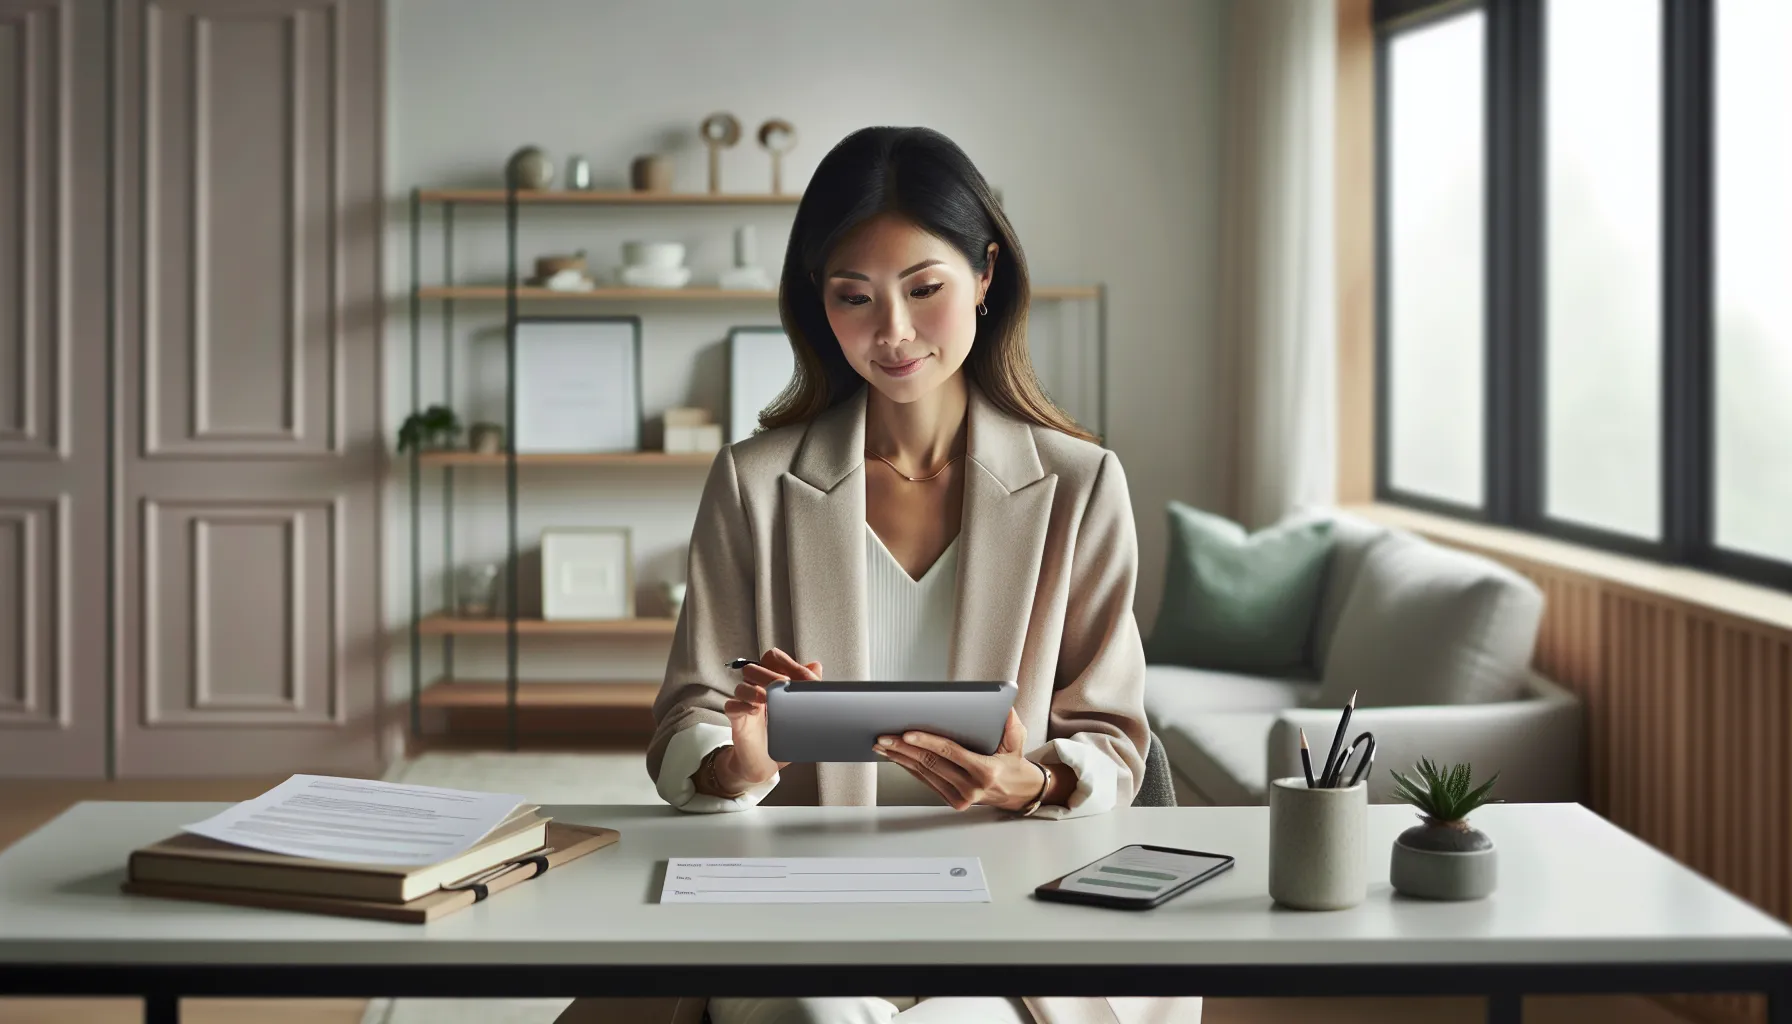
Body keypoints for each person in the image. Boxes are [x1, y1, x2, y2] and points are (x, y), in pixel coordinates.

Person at [556, 127, 1198, 1024]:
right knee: (819, 1012)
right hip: (796, 907)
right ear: (818, 305)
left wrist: (1035, 781)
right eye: (853, 297)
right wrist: (734, 766)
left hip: (1013, 912)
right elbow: (689, 717)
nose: (891, 334)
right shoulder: (753, 484)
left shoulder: (1082, 486)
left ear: (985, 275)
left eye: (924, 289)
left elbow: (1117, 740)